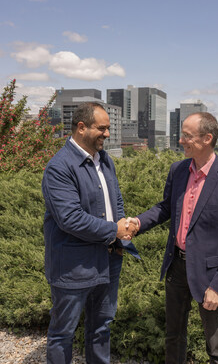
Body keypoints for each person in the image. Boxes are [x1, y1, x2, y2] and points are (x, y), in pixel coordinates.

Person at [127, 112, 218, 364]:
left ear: (207, 138)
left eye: (187, 136)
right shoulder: (178, 170)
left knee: (215, 344)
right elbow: (165, 208)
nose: (181, 140)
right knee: (173, 336)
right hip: (176, 266)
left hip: (210, 274)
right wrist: (137, 223)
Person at [42, 102, 139, 364]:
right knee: (63, 333)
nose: (107, 134)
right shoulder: (59, 167)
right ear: (82, 127)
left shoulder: (104, 160)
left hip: (109, 259)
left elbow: (115, 199)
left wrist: (122, 228)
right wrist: (113, 229)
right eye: (102, 128)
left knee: (101, 327)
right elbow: (70, 219)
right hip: (74, 265)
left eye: (108, 128)